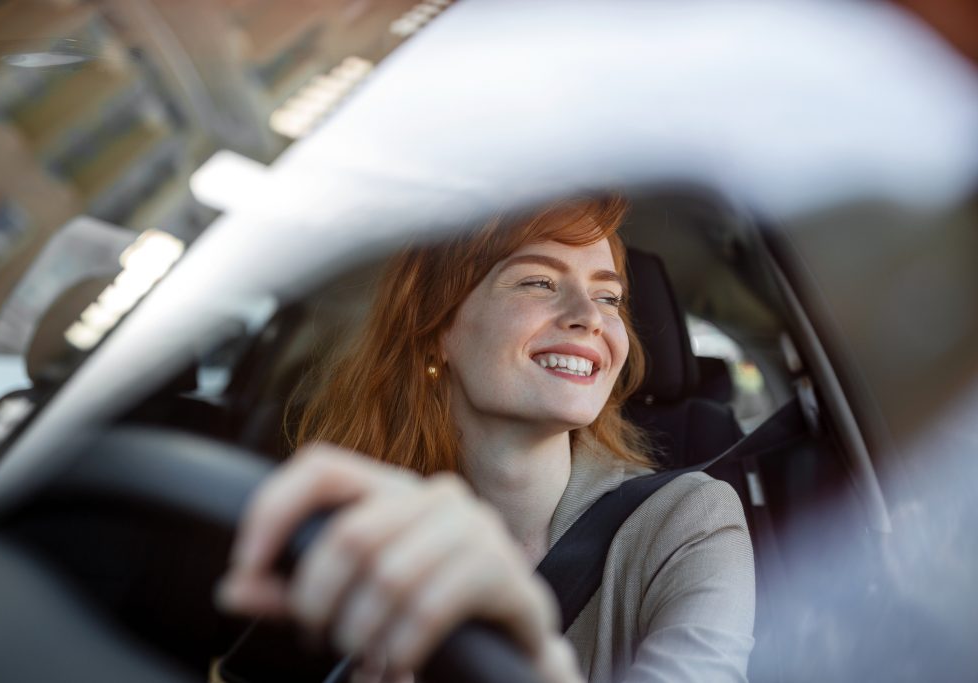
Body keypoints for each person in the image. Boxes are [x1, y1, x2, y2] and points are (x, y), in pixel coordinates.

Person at [216, 195, 755, 682]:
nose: (590, 317)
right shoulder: (355, 534)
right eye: (539, 282)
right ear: (438, 332)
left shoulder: (691, 521)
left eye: (609, 297)